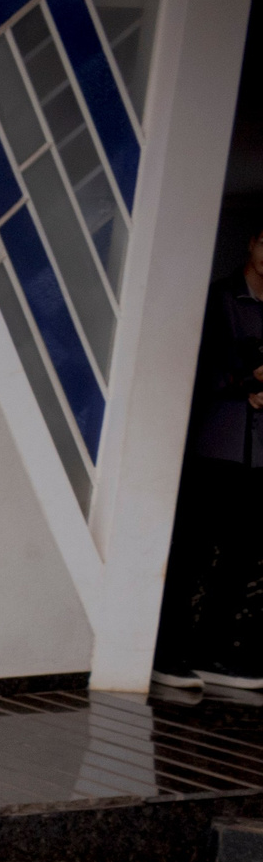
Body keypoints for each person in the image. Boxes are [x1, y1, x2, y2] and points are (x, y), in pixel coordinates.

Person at [152, 221, 263, 692]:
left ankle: (214, 652)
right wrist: (247, 385)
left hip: (257, 457)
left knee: (243, 554)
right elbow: (191, 372)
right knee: (194, 551)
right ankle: (165, 651)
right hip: (213, 446)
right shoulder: (218, 299)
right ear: (253, 240)